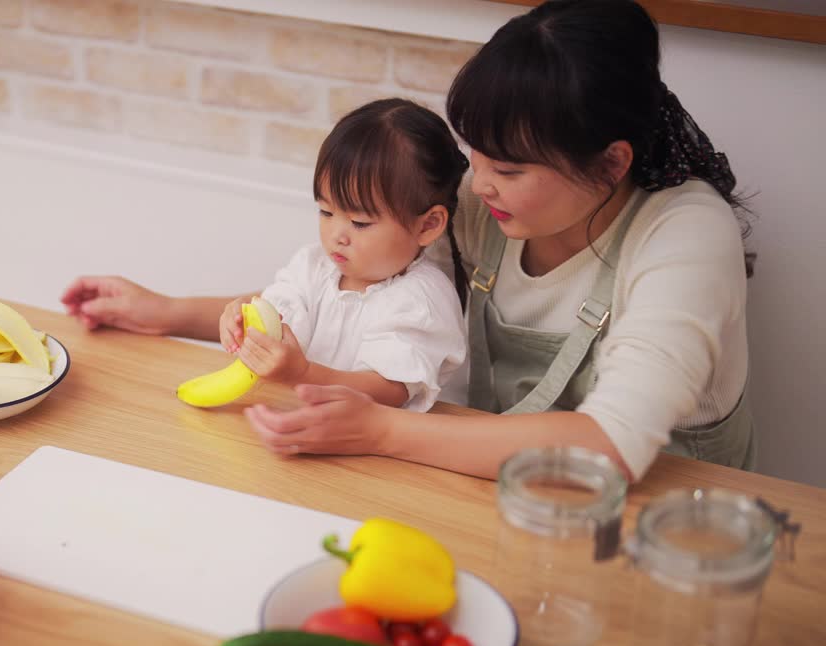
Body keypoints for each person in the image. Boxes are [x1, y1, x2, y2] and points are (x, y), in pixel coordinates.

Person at [60, 0, 754, 482]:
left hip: (668, 519)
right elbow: (342, 287)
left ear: (612, 162)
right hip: (492, 482)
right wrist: (170, 311)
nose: (477, 185)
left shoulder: (687, 237)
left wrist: (386, 432)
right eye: (474, 155)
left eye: (507, 169)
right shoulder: (483, 208)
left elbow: (608, 448)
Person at [213, 98, 468, 411]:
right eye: (326, 211)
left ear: (427, 225)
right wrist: (244, 320)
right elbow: (280, 317)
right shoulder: (313, 265)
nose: (337, 235)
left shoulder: (422, 300)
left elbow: (389, 390)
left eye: (360, 223)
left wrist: (303, 373)